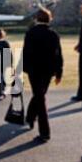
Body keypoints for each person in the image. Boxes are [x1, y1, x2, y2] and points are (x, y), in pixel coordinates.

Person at [23, 8, 64, 144]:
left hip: (34, 70)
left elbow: (26, 52)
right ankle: (44, 131)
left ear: (36, 19)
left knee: (39, 96)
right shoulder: (53, 34)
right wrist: (59, 72)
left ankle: (31, 118)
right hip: (48, 71)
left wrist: (25, 68)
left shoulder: (30, 33)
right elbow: (58, 55)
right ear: (49, 19)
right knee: (40, 97)